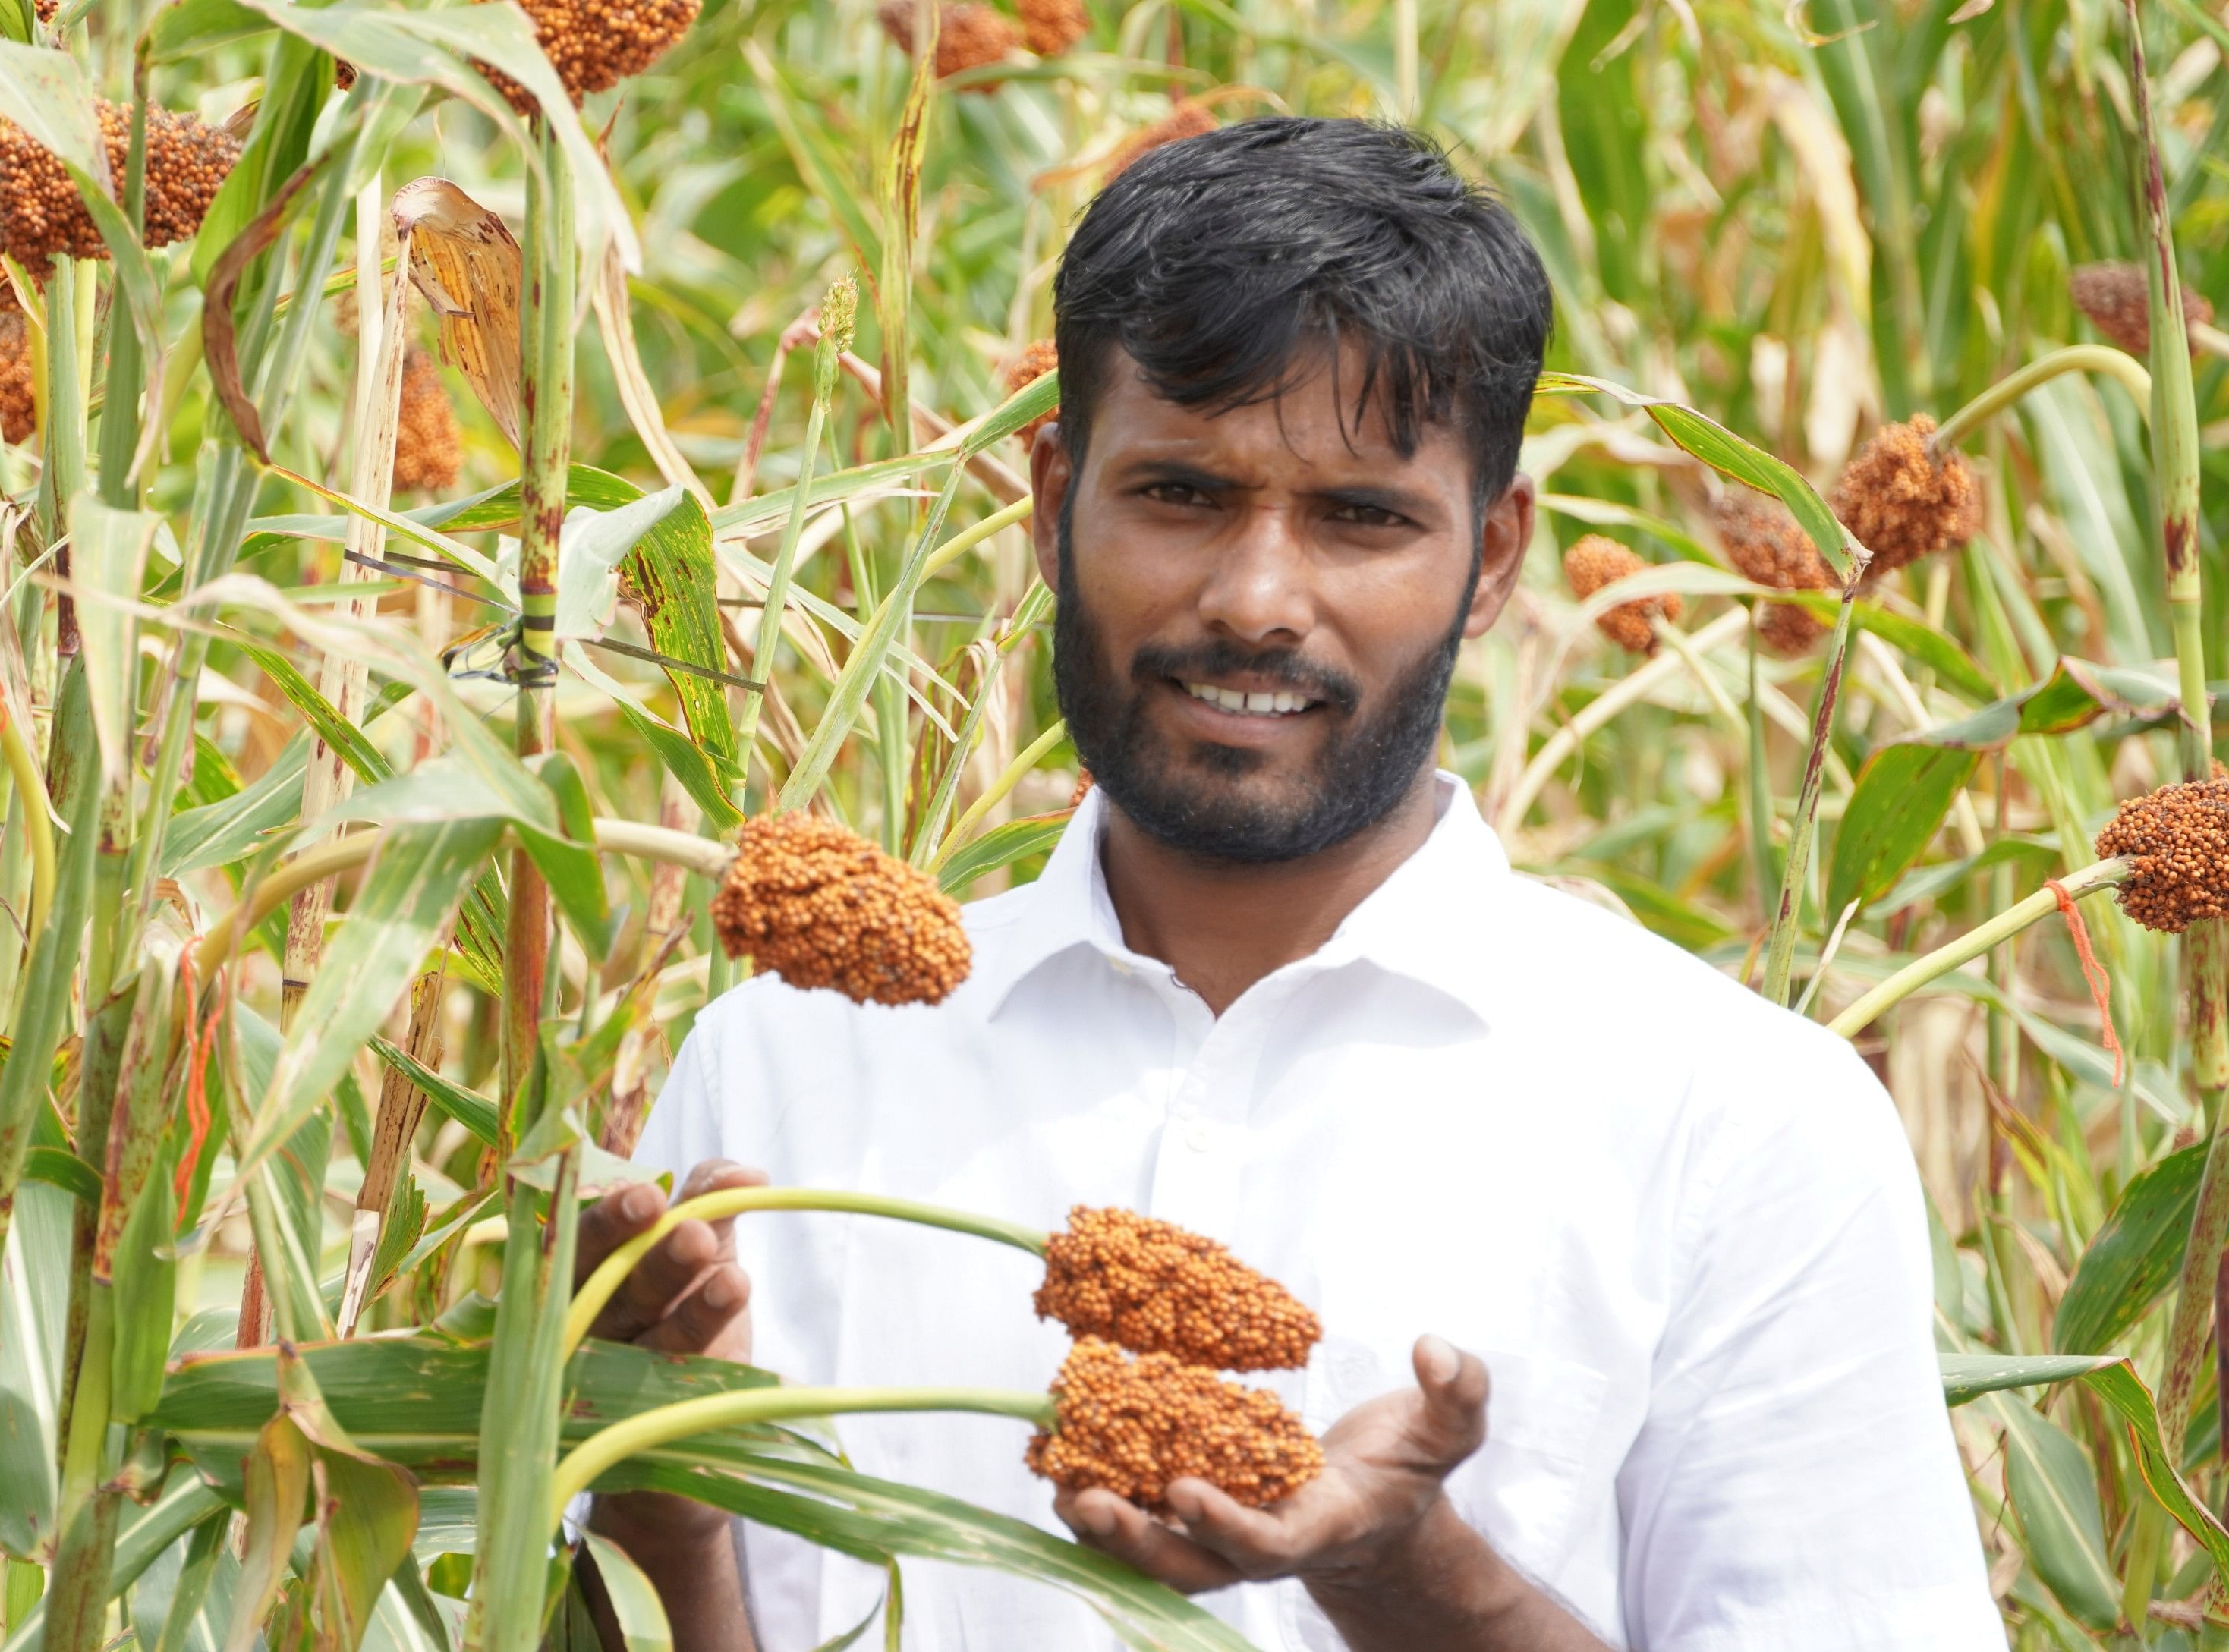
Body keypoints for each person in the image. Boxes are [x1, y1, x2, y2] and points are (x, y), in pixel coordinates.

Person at [578, 116, 2001, 1651]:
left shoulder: (1733, 1123)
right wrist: (653, 1483)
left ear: (1497, 556)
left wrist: (1405, 1572)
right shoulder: (784, 1071)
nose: (1257, 600)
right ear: (1053, 498)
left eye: (1359, 518)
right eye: (1182, 494)